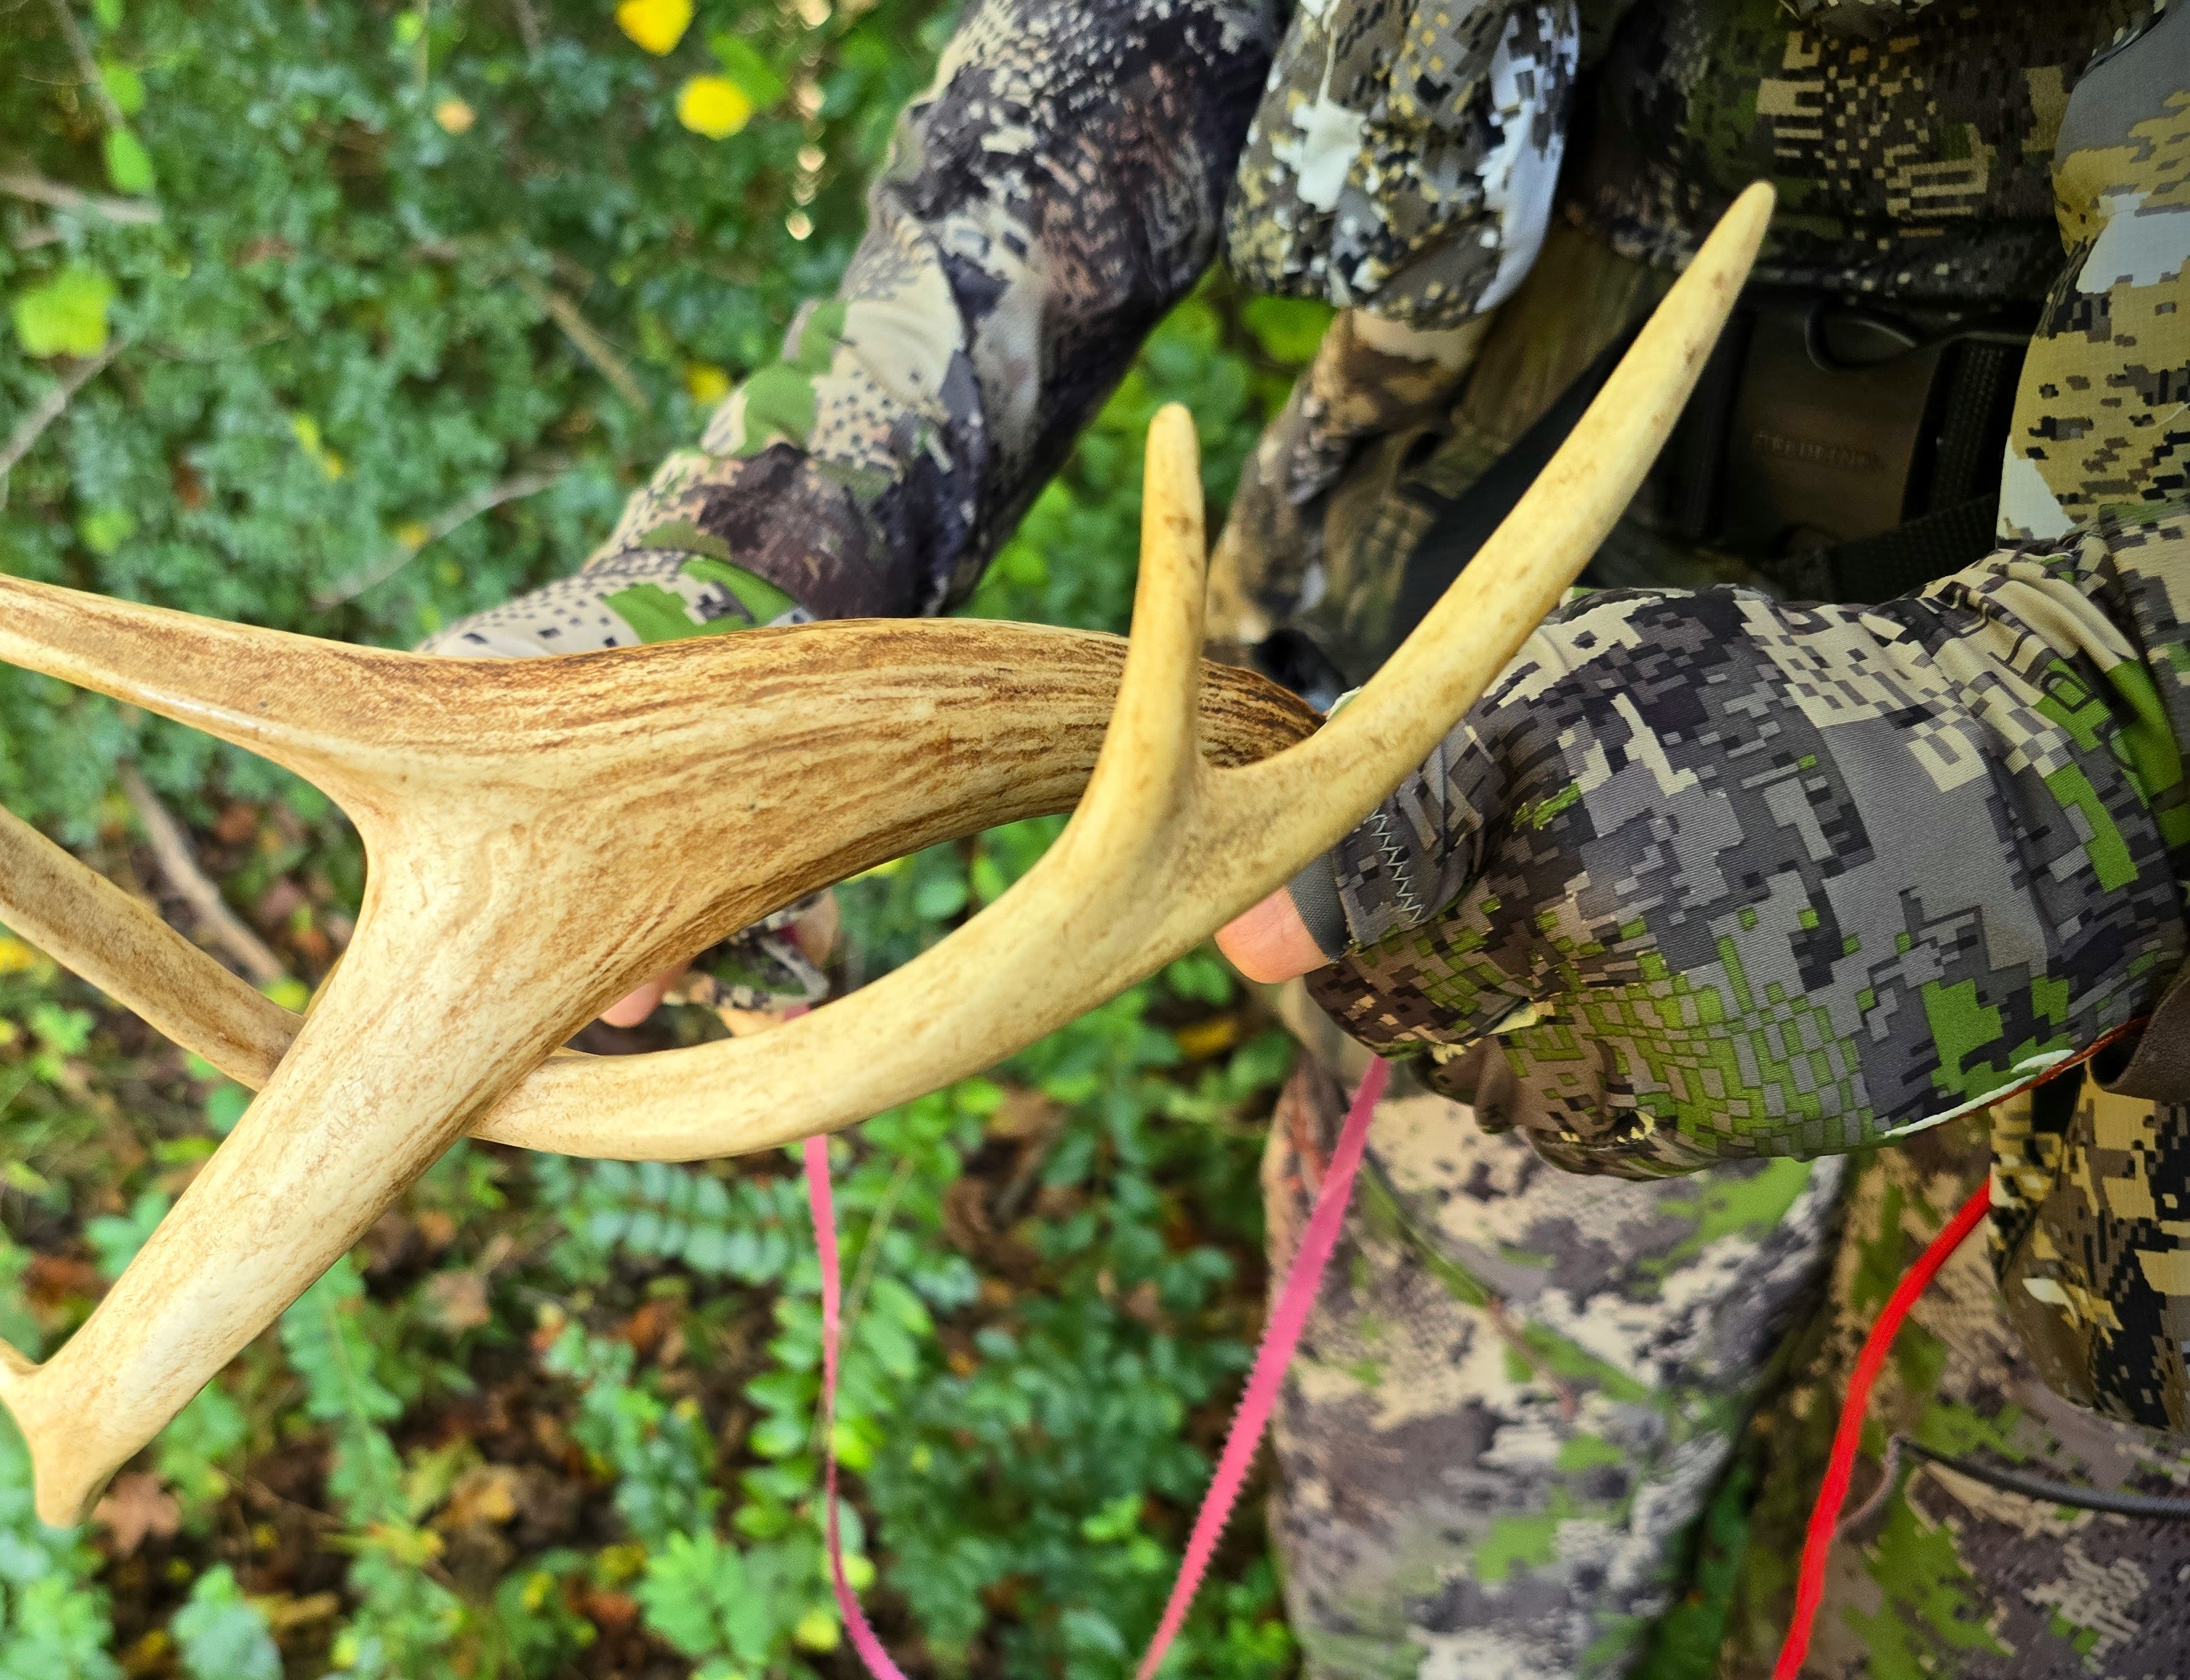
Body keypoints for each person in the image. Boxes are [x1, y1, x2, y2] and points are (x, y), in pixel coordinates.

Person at [424, 0, 2190, 1672]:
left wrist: (1828, 838)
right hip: (1445, 799)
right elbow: (1107, 75)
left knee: (1993, 1602)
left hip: (2124, 1094)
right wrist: (747, 607)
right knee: (1424, 1596)